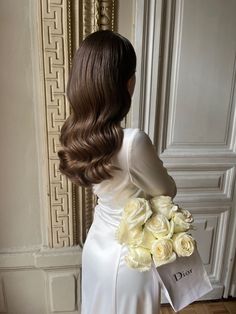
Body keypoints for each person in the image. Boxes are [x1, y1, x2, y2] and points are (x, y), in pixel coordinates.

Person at [58, 30, 176, 314]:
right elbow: (167, 190)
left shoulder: (75, 134)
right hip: (128, 257)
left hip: (97, 245)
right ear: (127, 83)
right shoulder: (133, 142)